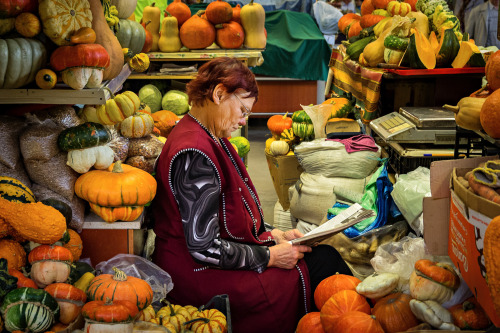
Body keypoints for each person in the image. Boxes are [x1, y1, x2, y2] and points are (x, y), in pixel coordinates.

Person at [151, 57, 352, 333]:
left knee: (322, 258)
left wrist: (275, 235)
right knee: (322, 266)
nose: (244, 120)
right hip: (197, 277)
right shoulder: (193, 153)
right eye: (243, 110)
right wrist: (270, 256)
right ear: (219, 94)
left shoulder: (207, 135)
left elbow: (230, 217)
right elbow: (203, 248)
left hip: (207, 266)